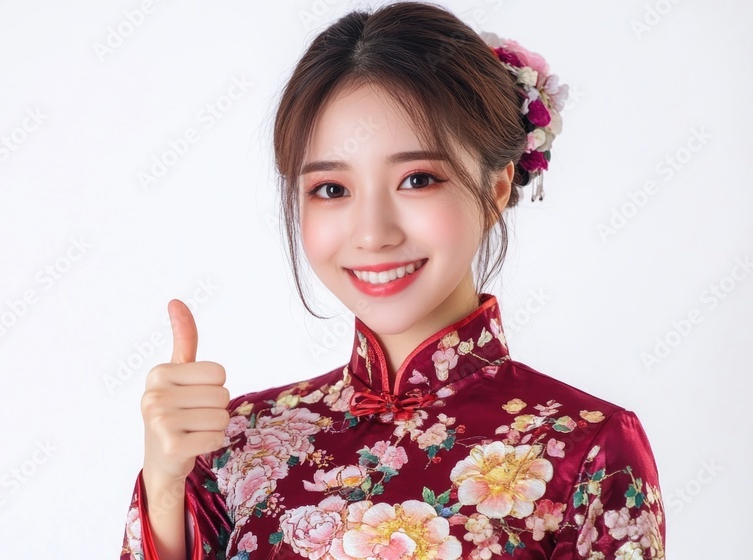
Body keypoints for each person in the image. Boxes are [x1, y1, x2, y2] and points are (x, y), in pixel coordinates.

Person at [119, 2, 666, 559]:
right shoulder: (235, 443)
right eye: (331, 189)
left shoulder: (588, 449)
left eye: (417, 179)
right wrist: (163, 487)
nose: (373, 233)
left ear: (496, 188)